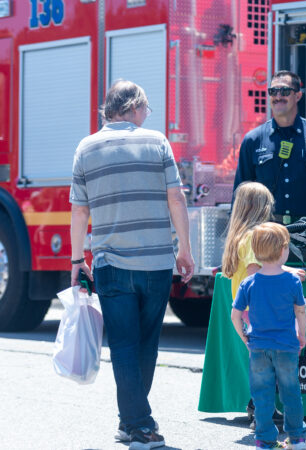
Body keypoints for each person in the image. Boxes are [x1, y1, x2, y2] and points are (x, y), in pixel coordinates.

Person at [70, 80, 195, 449]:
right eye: (146, 109)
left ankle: (132, 423)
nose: (146, 116)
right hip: (156, 261)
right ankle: (140, 424)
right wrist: (184, 250)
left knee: (124, 345)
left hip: (110, 262)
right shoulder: (156, 141)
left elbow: (80, 209)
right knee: (146, 344)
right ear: (135, 106)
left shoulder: (85, 147)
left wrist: (78, 258)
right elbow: (176, 197)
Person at [231, 223, 306, 450]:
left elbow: (235, 316)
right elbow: (300, 311)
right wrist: (301, 334)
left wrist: (244, 337)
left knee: (262, 396)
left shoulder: (249, 282)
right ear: (283, 250)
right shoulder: (292, 280)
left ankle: (264, 441)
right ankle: (297, 439)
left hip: (258, 348)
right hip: (286, 346)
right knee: (291, 392)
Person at [233, 70, 306, 223]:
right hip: (266, 234)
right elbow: (241, 192)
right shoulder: (253, 140)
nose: (278, 96)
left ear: (298, 96)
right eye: (273, 91)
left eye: (284, 91)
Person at [222, 181, 306, 303]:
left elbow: (262, 265)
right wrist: (289, 274)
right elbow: (255, 272)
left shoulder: (240, 236)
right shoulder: (252, 237)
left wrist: (287, 269)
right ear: (262, 208)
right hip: (257, 309)